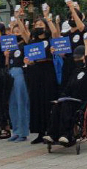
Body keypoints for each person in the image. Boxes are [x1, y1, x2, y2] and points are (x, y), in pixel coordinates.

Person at [45, 36, 87, 144]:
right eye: (76, 58)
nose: (77, 60)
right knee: (57, 106)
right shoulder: (75, 71)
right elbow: (68, 88)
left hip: (83, 99)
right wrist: (60, 98)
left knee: (66, 105)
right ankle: (52, 134)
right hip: (71, 98)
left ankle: (66, 135)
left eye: (79, 58)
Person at [28, 15, 59, 144]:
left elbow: (56, 32)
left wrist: (49, 19)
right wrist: (28, 61)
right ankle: (40, 132)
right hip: (36, 70)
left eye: (41, 25)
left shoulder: (51, 39)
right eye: (37, 25)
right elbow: (29, 57)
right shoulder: (32, 41)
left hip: (48, 69)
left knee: (48, 99)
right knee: (37, 100)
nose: (39, 27)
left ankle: (50, 130)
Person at [6, 18, 30, 142]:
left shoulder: (25, 43)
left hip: (21, 72)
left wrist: (19, 21)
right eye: (14, 31)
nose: (16, 32)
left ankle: (23, 132)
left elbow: (27, 36)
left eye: (18, 30)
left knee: (22, 102)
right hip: (11, 73)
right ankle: (15, 130)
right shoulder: (11, 46)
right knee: (12, 103)